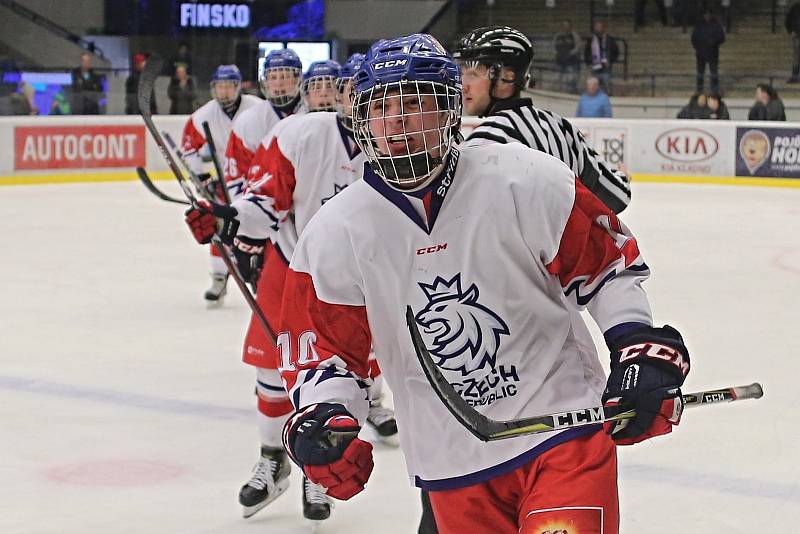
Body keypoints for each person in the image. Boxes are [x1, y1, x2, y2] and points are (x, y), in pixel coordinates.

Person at [272, 33, 689, 534]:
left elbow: (604, 268)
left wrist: (635, 344)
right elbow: (325, 351)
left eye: (417, 104)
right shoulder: (334, 232)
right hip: (451, 459)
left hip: (562, 430)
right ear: (363, 121)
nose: (399, 122)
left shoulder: (524, 177)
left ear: (449, 111)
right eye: (383, 108)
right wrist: (325, 415)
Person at [184, 54, 399, 524]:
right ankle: (274, 459)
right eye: (344, 89)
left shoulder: (395, 145)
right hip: (295, 271)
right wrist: (228, 219)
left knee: (348, 378)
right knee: (272, 373)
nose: (350, 98)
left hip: (359, 281)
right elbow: (263, 201)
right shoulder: (298, 134)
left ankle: (314, 467)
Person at [455, 26, 630, 214]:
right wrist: (623, 177)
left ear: (506, 77)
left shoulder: (483, 142)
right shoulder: (561, 128)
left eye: (473, 74)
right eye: (462, 73)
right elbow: (617, 197)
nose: (463, 85)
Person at [180, 64, 262, 305]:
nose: (224, 92)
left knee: (258, 227)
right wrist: (202, 176)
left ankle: (260, 274)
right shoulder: (202, 116)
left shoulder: (257, 109)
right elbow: (189, 150)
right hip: (223, 181)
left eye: (228, 86)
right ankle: (219, 277)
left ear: (238, 87)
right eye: (219, 86)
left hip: (257, 179)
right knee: (216, 226)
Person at [223, 48, 305, 201]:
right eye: (273, 77)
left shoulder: (312, 114)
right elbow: (236, 179)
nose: (279, 83)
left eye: (285, 76)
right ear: (265, 82)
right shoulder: (248, 121)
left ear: (297, 79)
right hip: (267, 210)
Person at [691, 8, 725, 93]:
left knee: (713, 73)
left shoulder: (716, 25)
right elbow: (694, 38)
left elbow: (722, 38)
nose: (707, 16)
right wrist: (698, 47)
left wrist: (714, 41)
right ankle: (699, 90)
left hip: (712, 53)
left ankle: (714, 91)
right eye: (705, 14)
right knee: (700, 73)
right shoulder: (699, 25)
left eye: (708, 14)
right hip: (701, 53)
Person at [584, 21, 619, 92]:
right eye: (596, 27)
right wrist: (588, 62)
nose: (598, 29)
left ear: (603, 28)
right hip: (594, 66)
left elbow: (616, 51)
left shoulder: (609, 39)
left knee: (606, 86)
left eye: (599, 27)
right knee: (593, 87)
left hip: (605, 67)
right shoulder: (591, 40)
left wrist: (610, 60)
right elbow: (586, 52)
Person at [553, 20, 581, 93]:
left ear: (570, 26)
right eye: (564, 25)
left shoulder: (574, 36)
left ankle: (570, 92)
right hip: (559, 61)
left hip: (571, 61)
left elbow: (577, 47)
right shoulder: (558, 36)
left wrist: (569, 54)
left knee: (570, 78)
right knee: (557, 78)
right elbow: (553, 47)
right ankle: (558, 92)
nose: (566, 27)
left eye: (567, 25)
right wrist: (558, 54)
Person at [786, 2, 800, 83]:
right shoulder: (795, 8)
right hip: (797, 35)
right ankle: (795, 76)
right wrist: (790, 30)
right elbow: (788, 20)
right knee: (796, 56)